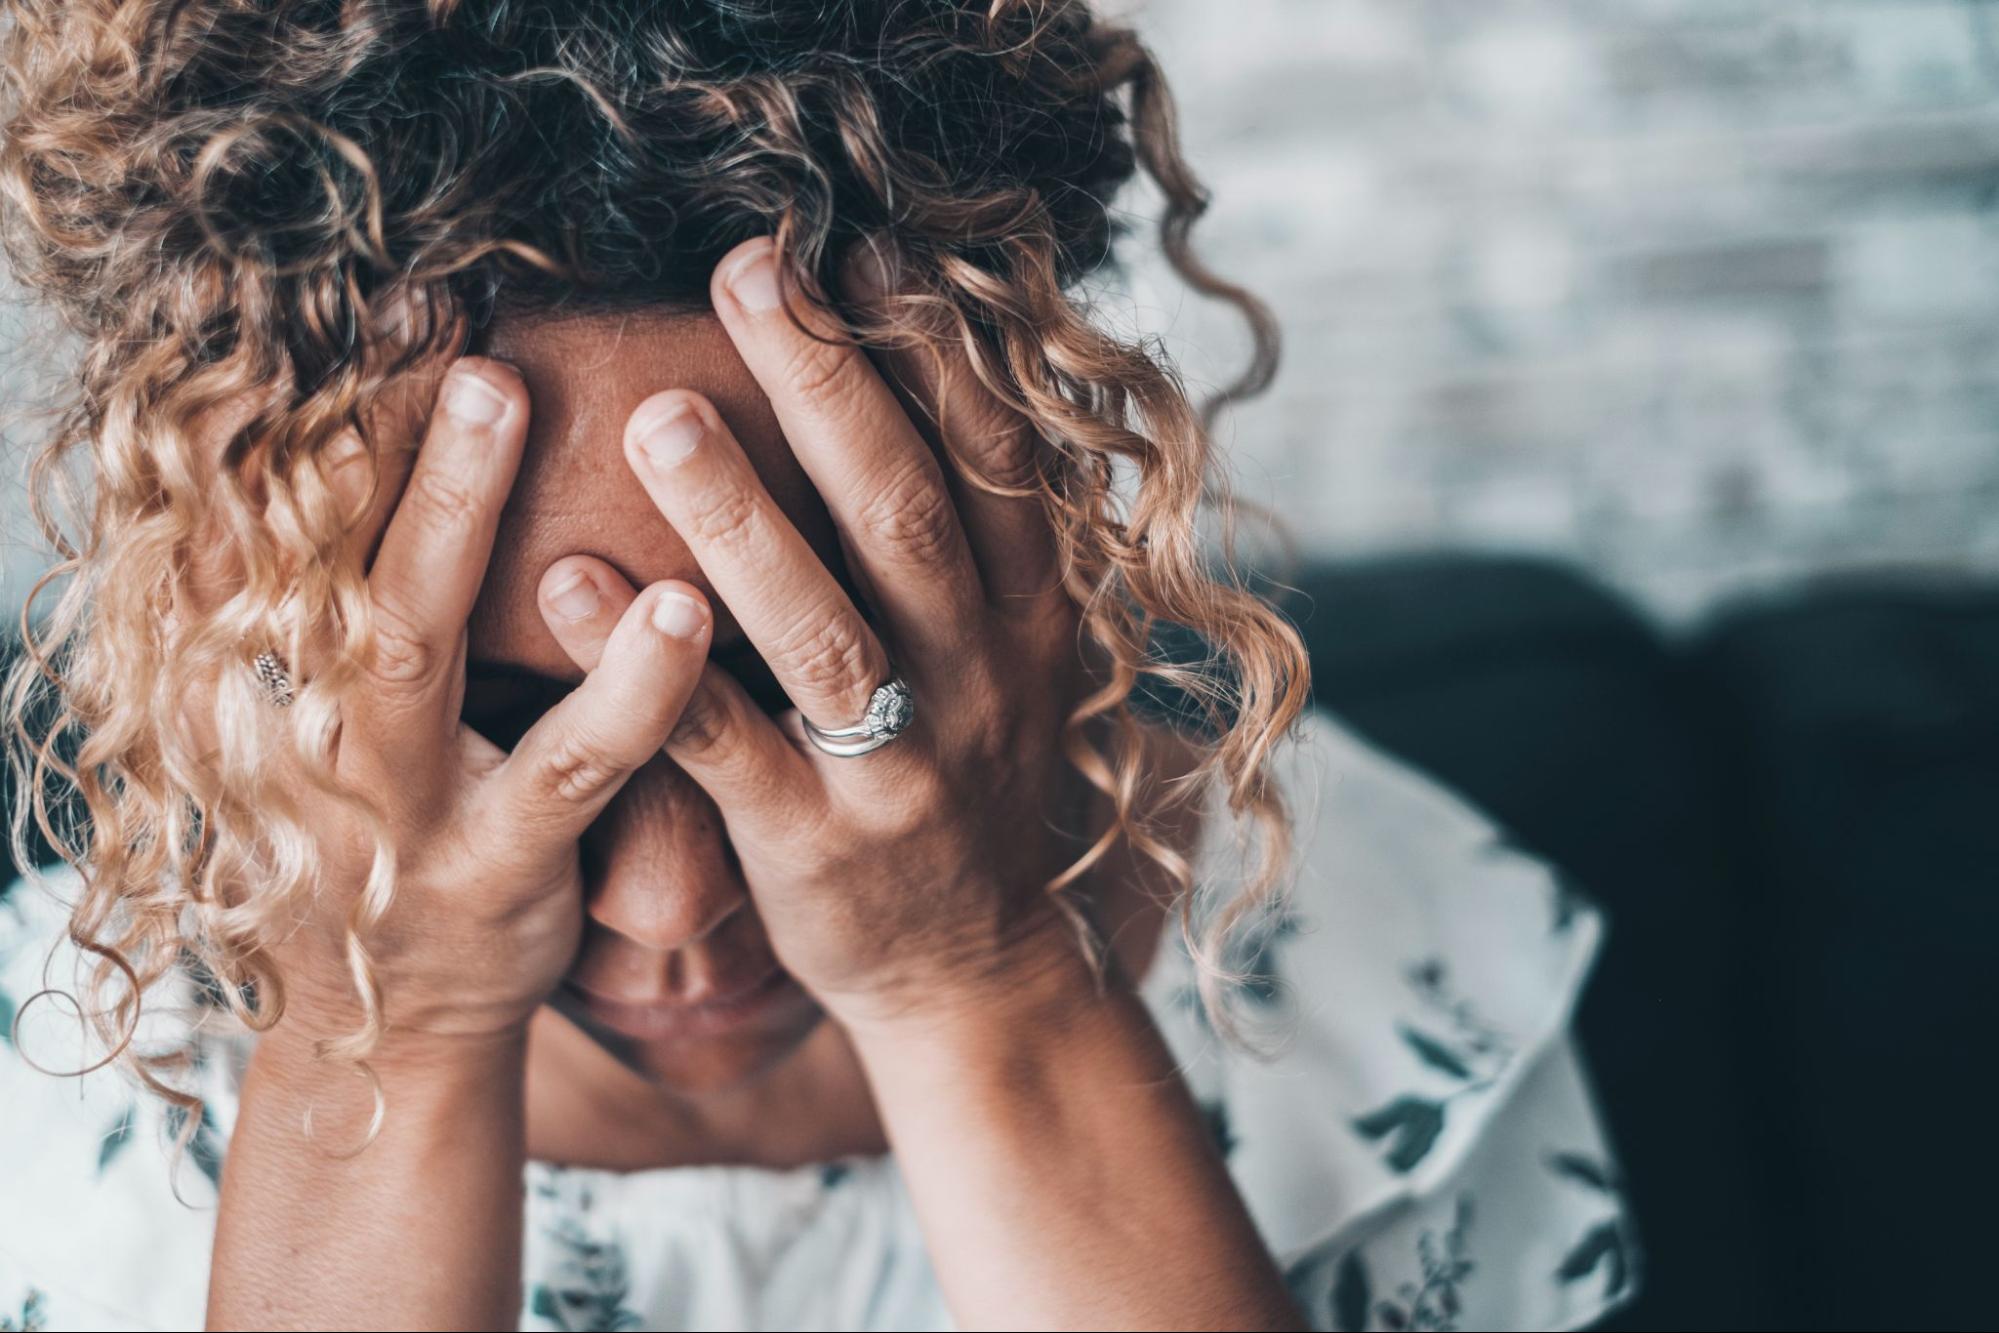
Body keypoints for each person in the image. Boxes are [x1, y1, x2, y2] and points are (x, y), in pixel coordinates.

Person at [0, 2, 1636, 1329]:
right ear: (246, 610)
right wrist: (399, 1021)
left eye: (810, 690)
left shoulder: (1403, 987)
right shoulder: (71, 1097)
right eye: (498, 730)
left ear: (1029, 543)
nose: (671, 914)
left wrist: (978, 980)